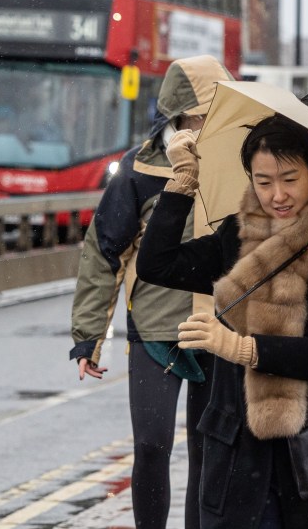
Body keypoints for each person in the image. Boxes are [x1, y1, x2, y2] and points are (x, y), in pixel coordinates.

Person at [137, 114, 308, 528]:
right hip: (238, 454)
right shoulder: (236, 235)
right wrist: (181, 182)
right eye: (263, 181)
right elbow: (157, 265)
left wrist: (244, 349)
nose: (278, 195)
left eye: (290, 178)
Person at [70, 56, 232, 529]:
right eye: (202, 114)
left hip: (218, 329)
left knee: (207, 452)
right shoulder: (138, 168)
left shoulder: (239, 162)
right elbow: (102, 252)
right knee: (151, 444)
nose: (208, 124)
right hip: (155, 330)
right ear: (178, 116)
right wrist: (88, 335)